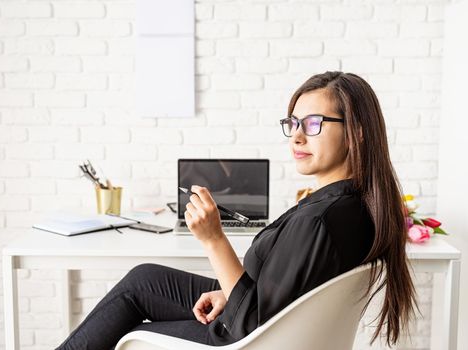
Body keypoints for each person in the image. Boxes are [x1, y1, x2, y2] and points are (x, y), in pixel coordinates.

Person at [56, 71, 417, 350]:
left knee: (133, 330)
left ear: (357, 131)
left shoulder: (319, 220)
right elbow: (284, 290)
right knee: (143, 279)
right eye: (293, 124)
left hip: (247, 336)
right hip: (255, 310)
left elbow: (251, 323)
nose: (297, 137)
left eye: (313, 124)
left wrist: (213, 239)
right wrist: (230, 292)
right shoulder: (351, 203)